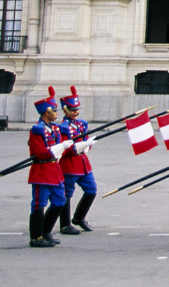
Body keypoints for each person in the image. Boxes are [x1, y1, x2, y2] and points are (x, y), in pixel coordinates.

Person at [27, 87, 73, 248]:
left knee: (60, 201)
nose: (56, 112)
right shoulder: (37, 130)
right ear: (46, 112)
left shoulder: (55, 128)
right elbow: (39, 153)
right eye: (54, 110)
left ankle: (46, 231)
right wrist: (59, 148)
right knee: (39, 203)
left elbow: (61, 148)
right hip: (42, 171)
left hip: (55, 170)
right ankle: (36, 236)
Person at [57, 86, 98, 236]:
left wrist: (87, 145)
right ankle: (65, 224)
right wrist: (77, 147)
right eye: (72, 109)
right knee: (66, 194)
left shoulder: (81, 124)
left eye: (77, 109)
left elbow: (85, 139)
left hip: (83, 164)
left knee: (92, 190)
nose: (75, 112)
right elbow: (62, 147)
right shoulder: (62, 127)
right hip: (69, 165)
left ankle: (79, 217)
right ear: (65, 110)